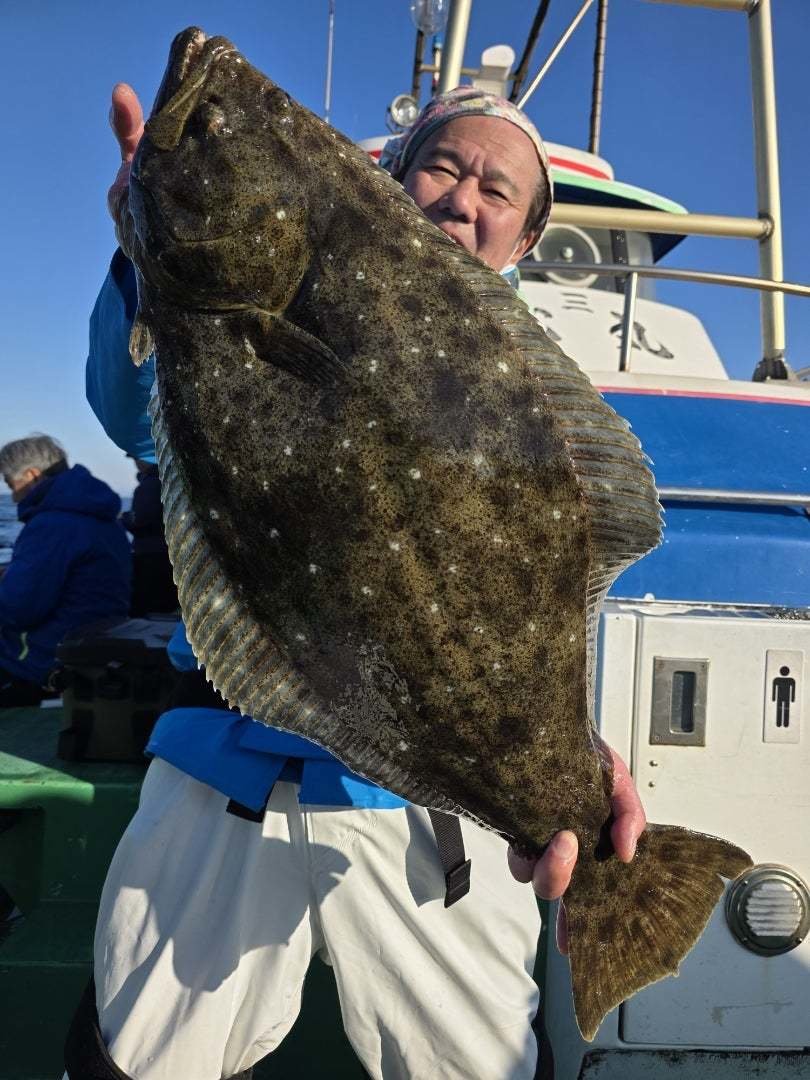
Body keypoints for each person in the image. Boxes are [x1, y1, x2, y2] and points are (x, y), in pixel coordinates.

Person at [64, 83, 647, 1080]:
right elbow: (137, 421)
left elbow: (536, 612)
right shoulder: (280, 303)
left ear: (525, 238)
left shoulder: (536, 405)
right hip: (223, 758)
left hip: (430, 815)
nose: (463, 198)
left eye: (498, 190)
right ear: (392, 180)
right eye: (443, 167)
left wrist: (576, 760)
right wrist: (148, 254)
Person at [0, 435, 131, 707]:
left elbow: (17, 610)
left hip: (45, 659)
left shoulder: (50, 524)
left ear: (32, 476)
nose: (12, 496)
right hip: (94, 640)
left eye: (11, 484)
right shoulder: (101, 517)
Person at [122, 456, 178, 616]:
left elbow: (140, 520)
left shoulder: (149, 485)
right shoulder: (166, 481)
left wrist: (124, 518)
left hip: (150, 555)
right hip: (167, 552)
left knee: (147, 607)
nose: (136, 463)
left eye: (137, 458)